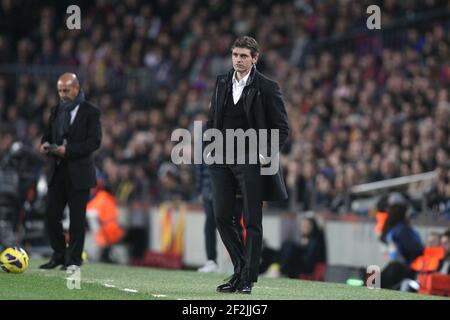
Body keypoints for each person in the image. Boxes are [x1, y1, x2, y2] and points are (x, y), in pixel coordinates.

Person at [206, 36, 289, 294]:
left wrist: (266, 153)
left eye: (243, 56)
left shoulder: (267, 86)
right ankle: (241, 269)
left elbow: (282, 128)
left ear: (255, 58)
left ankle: (247, 279)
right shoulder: (221, 82)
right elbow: (213, 120)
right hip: (222, 159)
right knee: (220, 216)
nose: (238, 60)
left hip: (250, 160)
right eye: (235, 55)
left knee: (252, 220)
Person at [39, 73, 102, 270]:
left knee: (76, 219)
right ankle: (58, 254)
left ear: (76, 88)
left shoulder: (91, 111)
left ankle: (73, 259)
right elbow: (47, 135)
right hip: (57, 171)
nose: (62, 94)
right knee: (51, 214)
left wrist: (69, 151)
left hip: (79, 173)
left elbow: (94, 142)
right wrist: (44, 145)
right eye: (59, 90)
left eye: (66, 90)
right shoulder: (56, 110)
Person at [380, 192, 423, 289]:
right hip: (396, 266)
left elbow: (416, 249)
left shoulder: (400, 229)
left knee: (376, 283)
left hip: (400, 267)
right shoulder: (399, 228)